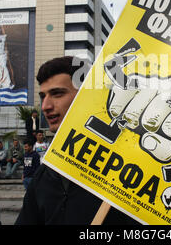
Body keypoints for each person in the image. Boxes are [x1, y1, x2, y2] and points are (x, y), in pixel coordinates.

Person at [15, 56, 138, 225]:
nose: (45, 106)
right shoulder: (45, 175)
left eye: (57, 93)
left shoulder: (130, 175)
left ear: (87, 96)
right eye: (43, 96)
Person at [0, 25, 15, 89]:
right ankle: (1, 83)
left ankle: (8, 83)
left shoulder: (4, 36)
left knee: (4, 67)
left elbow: (3, 40)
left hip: (2, 53)